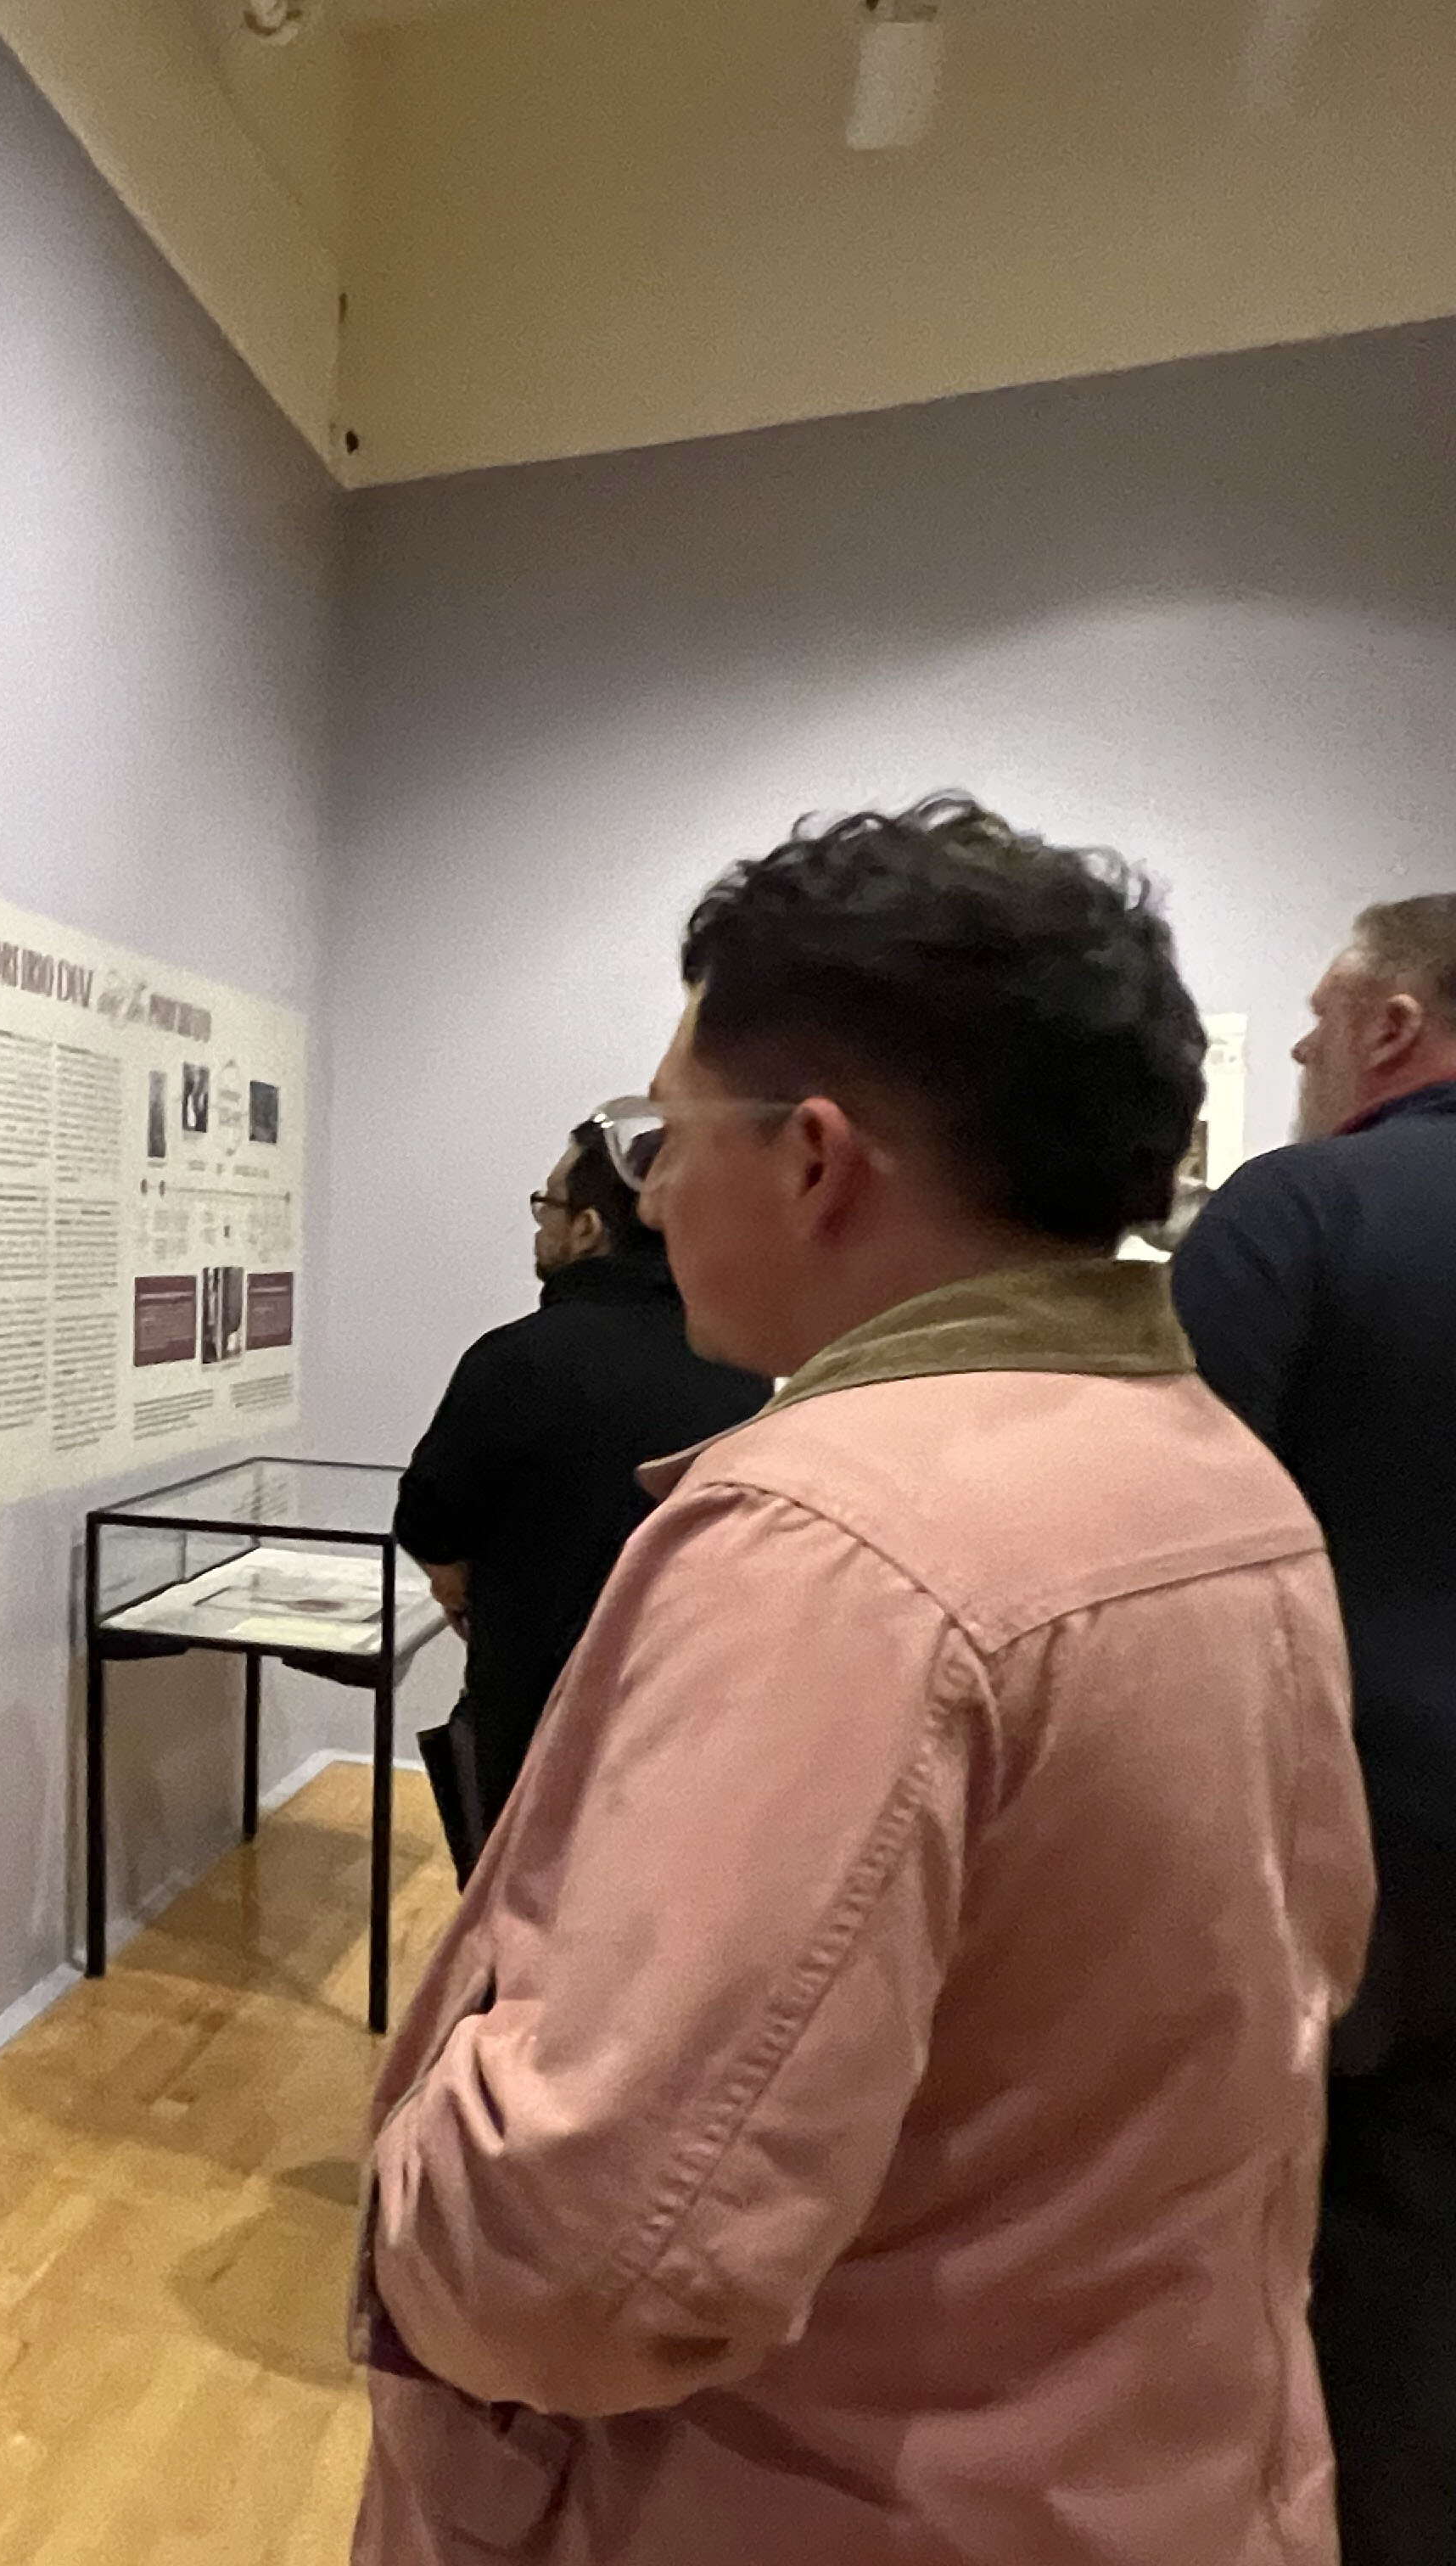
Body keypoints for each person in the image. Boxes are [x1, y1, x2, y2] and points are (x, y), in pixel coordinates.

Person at [350, 798, 1373, 2566]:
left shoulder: (837, 1548)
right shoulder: (1220, 1476)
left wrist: (421, 2150)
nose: (653, 1192)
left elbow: (588, 2252)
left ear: (816, 1160)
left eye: (669, 1140)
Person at [1174, 894, 1456, 2566]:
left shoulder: (1305, 1210)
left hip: (1356, 1867)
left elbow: (1164, 1543)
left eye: (1316, 1015)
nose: (1294, 1050)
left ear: (1395, 1027)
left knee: (1319, 2256)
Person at [394, 1120, 769, 1876]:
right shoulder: (743, 1364)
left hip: (534, 1693)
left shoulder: (516, 1359)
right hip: (679, 1696)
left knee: (515, 1901)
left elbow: (429, 1515)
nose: (540, 1225)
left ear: (589, 1228)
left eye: (548, 1206)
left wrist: (453, 1573)